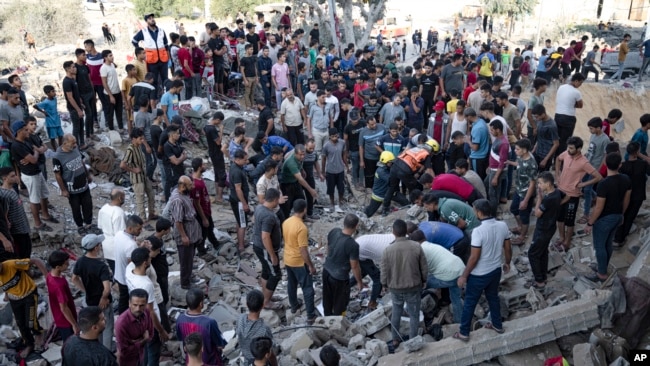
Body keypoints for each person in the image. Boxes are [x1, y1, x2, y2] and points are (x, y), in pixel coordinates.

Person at [454, 199, 512, 341]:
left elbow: (474, 258)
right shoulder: (502, 225)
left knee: (470, 302)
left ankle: (464, 332)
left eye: (474, 210)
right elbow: (508, 247)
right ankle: (497, 325)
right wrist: (507, 262)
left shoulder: (478, 231)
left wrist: (464, 276)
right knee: (493, 297)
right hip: (495, 270)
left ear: (479, 212)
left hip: (479, 274)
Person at [381, 219, 428, 348]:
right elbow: (424, 267)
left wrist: (384, 284)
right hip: (413, 286)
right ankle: (413, 340)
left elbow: (384, 271)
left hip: (395, 288)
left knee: (396, 311)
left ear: (393, 232)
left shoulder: (387, 250)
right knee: (414, 314)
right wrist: (424, 280)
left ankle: (395, 339)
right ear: (406, 232)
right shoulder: (416, 246)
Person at [585, 153, 631, 282]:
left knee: (600, 246)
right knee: (608, 244)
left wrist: (590, 223)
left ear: (605, 164)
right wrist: (622, 214)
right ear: (620, 165)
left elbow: (599, 207)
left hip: (604, 219)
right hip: (617, 216)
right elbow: (626, 199)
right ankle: (602, 266)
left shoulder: (603, 184)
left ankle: (602, 274)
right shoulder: (626, 179)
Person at [554, 137, 602, 252]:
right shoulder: (566, 153)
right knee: (560, 218)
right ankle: (561, 237)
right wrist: (557, 174)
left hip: (572, 195)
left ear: (579, 148)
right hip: (561, 191)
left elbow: (598, 177)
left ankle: (567, 242)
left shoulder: (584, 162)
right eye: (568, 147)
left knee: (569, 220)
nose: (568, 150)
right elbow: (558, 159)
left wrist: (583, 184)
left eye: (571, 148)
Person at [409, 229, 465, 323]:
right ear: (425, 238)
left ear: (415, 243)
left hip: (449, 275)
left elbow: (420, 273)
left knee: (419, 284)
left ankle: (412, 309)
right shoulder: (432, 245)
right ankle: (459, 321)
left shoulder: (420, 250)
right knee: (456, 298)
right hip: (461, 271)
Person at [124, 247, 169, 364]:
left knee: (143, 350)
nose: (151, 259)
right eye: (149, 258)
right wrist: (161, 330)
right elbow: (151, 311)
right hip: (149, 323)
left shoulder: (129, 270)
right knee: (153, 353)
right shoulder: (146, 284)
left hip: (136, 317)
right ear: (145, 263)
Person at [11, 120, 56, 232]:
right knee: (34, 199)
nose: (28, 132)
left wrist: (35, 152)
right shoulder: (17, 146)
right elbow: (34, 159)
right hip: (30, 175)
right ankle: (38, 223)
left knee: (44, 194)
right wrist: (36, 152)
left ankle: (45, 215)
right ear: (19, 131)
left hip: (36, 172)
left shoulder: (25, 140)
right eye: (26, 130)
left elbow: (38, 151)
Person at [71, 234, 114, 350]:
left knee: (94, 327)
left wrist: (85, 289)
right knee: (107, 328)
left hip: (89, 302)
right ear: (96, 248)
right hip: (102, 304)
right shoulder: (101, 266)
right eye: (99, 245)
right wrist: (104, 298)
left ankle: (96, 350)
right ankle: (106, 353)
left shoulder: (80, 262)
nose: (100, 246)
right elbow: (107, 288)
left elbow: (74, 278)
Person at [0, 257, 48, 358]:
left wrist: (48, 277)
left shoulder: (11, 264)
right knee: (21, 324)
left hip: (29, 293)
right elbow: (4, 283)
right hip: (14, 298)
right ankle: (29, 344)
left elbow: (35, 260)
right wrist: (6, 295)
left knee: (30, 321)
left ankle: (38, 332)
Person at [282, 199, 317, 322]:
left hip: (287, 259)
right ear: (305, 209)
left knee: (292, 284)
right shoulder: (301, 227)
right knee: (307, 288)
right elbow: (303, 250)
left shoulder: (286, 222)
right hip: (299, 262)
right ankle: (311, 315)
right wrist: (311, 266)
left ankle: (294, 306)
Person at [53, 134, 95, 235]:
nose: (76, 145)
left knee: (88, 205)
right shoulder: (57, 157)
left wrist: (88, 175)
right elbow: (58, 175)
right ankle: (80, 226)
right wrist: (63, 190)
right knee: (76, 208)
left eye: (75, 142)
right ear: (65, 143)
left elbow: (82, 162)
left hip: (83, 184)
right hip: (72, 189)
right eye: (73, 143)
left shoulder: (75, 149)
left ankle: (88, 224)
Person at [382, 138, 437, 215]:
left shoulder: (415, 148)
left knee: (391, 187)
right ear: (432, 150)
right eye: (433, 153)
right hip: (404, 171)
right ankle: (414, 206)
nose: (432, 155)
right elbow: (429, 170)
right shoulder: (426, 154)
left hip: (395, 166)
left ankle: (385, 208)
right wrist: (435, 182)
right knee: (414, 188)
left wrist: (418, 172)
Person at [322, 214, 363, 316]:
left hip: (326, 271)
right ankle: (338, 323)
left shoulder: (334, 231)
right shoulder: (353, 245)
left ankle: (326, 318)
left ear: (344, 223)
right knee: (340, 303)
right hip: (339, 278)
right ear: (356, 226)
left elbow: (328, 247)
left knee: (327, 297)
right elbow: (354, 266)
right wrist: (359, 282)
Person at [527, 172, 562, 288]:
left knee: (532, 253)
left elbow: (537, 214)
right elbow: (566, 196)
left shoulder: (548, 199)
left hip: (543, 229)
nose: (538, 186)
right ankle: (543, 275)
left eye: (540, 183)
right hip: (551, 227)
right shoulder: (557, 192)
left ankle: (539, 281)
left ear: (548, 184)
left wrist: (539, 199)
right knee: (542, 251)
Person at [168, 175, 202, 289]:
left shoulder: (184, 194)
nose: (192, 187)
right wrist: (183, 236)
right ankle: (185, 283)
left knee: (190, 257)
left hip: (191, 231)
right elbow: (178, 221)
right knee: (185, 260)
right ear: (182, 186)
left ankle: (189, 276)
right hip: (185, 233)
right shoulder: (178, 200)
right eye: (190, 185)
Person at [253, 188, 284, 310]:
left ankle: (267, 296)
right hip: (265, 248)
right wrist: (272, 255)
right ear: (275, 199)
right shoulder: (269, 215)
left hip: (258, 245)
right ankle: (266, 302)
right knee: (275, 274)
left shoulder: (259, 207)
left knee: (266, 271)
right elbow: (265, 236)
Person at [614, 143, 649, 246]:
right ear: (637, 152)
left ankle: (617, 238)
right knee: (630, 217)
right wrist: (641, 155)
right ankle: (622, 239)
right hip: (638, 196)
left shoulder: (623, 166)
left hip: (624, 195)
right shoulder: (643, 165)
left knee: (622, 215)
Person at [577, 118, 610, 225]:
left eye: (591, 128)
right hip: (587, 165)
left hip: (595, 167)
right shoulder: (593, 136)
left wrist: (599, 170)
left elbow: (605, 156)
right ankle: (595, 197)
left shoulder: (605, 139)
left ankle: (586, 214)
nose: (590, 130)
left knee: (587, 190)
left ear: (598, 128)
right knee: (584, 186)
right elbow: (591, 150)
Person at [121, 128, 157, 223]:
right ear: (134, 139)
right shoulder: (130, 150)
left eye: (142, 138)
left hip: (143, 176)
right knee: (140, 198)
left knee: (151, 194)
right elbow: (122, 164)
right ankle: (143, 219)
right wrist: (133, 170)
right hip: (137, 179)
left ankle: (151, 214)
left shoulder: (138, 147)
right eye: (140, 139)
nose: (142, 141)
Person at [235, 290, 278, 365]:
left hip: (246, 360)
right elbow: (270, 351)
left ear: (247, 305)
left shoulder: (240, 319)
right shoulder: (264, 329)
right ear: (262, 306)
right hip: (260, 361)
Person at [507, 139, 538, 245]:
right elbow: (519, 164)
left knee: (524, 215)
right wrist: (509, 162)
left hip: (526, 194)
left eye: (517, 149)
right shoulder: (521, 157)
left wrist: (525, 200)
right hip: (518, 190)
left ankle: (522, 236)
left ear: (524, 150)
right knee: (514, 209)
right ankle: (519, 227)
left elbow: (532, 184)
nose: (515, 151)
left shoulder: (531, 164)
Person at [114, 215, 145, 315]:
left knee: (123, 298)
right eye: (139, 229)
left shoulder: (119, 234)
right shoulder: (131, 244)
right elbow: (133, 264)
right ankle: (123, 317)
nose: (141, 231)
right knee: (125, 299)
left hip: (118, 273)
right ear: (130, 228)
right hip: (125, 278)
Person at [115, 288, 154, 366]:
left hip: (141, 357)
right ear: (129, 303)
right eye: (135, 305)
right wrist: (143, 341)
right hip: (127, 362)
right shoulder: (122, 323)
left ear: (146, 304)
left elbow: (150, 334)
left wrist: (134, 343)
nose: (138, 309)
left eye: (141, 305)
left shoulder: (146, 312)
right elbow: (124, 351)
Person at [131, 13, 169, 92]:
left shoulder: (161, 31)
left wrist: (169, 57)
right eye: (149, 18)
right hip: (152, 61)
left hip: (163, 60)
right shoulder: (143, 32)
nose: (152, 19)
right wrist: (139, 52)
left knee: (165, 79)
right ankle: (154, 98)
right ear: (146, 21)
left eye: (152, 18)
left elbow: (166, 45)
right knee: (153, 80)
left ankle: (166, 95)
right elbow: (134, 41)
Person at [0, 168, 33, 258]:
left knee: (27, 250)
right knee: (21, 254)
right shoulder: (4, 194)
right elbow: (4, 215)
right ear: (4, 178)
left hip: (23, 227)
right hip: (16, 231)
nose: (16, 177)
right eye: (12, 176)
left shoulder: (13, 189)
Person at [190, 158, 218, 259]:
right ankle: (201, 251)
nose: (205, 166)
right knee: (203, 231)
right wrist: (204, 217)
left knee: (209, 228)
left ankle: (216, 244)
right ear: (199, 167)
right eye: (203, 165)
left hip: (206, 210)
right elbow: (197, 203)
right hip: (202, 212)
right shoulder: (196, 184)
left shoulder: (199, 179)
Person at [97, 188, 126, 275]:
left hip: (106, 244)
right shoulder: (119, 213)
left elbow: (100, 226)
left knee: (114, 270)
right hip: (116, 247)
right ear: (120, 198)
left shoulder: (103, 208)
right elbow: (120, 234)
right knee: (121, 272)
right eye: (123, 197)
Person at [484, 113, 509, 214]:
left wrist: (495, 177)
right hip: (493, 170)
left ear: (498, 130)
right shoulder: (498, 139)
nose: (491, 132)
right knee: (486, 185)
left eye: (492, 130)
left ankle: (493, 213)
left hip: (496, 172)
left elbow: (502, 161)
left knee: (493, 193)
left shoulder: (503, 143)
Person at [554, 73, 585, 156]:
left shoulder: (561, 87)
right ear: (576, 81)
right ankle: (561, 160)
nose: (580, 85)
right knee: (565, 141)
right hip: (568, 117)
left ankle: (555, 160)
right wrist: (572, 104)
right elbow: (581, 105)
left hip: (557, 115)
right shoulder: (576, 92)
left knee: (557, 139)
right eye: (580, 82)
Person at [229, 150, 251, 253]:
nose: (246, 161)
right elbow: (238, 189)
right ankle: (241, 247)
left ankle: (240, 241)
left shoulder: (236, 167)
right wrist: (244, 204)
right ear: (238, 159)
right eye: (244, 160)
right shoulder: (237, 171)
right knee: (243, 223)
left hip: (237, 200)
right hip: (238, 201)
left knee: (239, 221)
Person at [62, 61, 87, 149]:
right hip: (73, 109)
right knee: (76, 128)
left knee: (81, 126)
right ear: (68, 69)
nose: (75, 68)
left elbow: (76, 94)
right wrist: (78, 110)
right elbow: (70, 97)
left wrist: (80, 103)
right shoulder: (66, 82)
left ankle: (82, 144)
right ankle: (74, 146)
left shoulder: (73, 80)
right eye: (73, 67)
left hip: (78, 107)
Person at [204, 112, 228, 203]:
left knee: (217, 173)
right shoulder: (212, 129)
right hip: (216, 152)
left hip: (212, 152)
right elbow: (218, 142)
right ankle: (219, 197)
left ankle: (218, 194)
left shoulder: (206, 126)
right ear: (217, 120)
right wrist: (221, 130)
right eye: (220, 121)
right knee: (222, 174)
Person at [322, 128, 347, 209]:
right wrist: (323, 171)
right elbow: (323, 159)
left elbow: (344, 155)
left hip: (340, 169)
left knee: (341, 188)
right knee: (330, 188)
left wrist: (346, 165)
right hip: (330, 170)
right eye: (333, 137)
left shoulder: (342, 143)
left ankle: (340, 202)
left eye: (336, 136)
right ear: (329, 137)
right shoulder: (326, 146)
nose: (335, 138)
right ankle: (332, 203)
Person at [100, 50, 124, 131]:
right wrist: (110, 96)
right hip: (109, 94)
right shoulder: (103, 68)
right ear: (105, 58)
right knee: (110, 112)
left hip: (117, 92)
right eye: (110, 56)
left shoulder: (112, 65)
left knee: (119, 111)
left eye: (112, 55)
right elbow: (104, 83)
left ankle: (121, 128)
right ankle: (111, 129)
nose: (112, 57)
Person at [34, 85, 64, 149]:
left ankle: (60, 148)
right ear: (47, 93)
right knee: (52, 138)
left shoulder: (55, 99)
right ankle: (55, 149)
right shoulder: (45, 102)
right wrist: (43, 112)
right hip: (50, 122)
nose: (54, 93)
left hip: (56, 120)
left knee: (60, 135)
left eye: (54, 91)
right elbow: (35, 106)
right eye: (52, 91)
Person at [530, 104, 559, 172]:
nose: (535, 119)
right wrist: (534, 149)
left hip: (545, 155)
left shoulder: (551, 126)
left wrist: (546, 159)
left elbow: (556, 144)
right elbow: (540, 137)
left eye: (536, 117)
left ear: (543, 114)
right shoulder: (539, 121)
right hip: (537, 152)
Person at [162, 124, 187, 200]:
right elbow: (176, 161)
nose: (179, 135)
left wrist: (181, 157)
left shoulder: (176, 143)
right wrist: (182, 157)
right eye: (177, 133)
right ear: (172, 135)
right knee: (172, 190)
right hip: (172, 172)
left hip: (179, 170)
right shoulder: (167, 146)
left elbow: (184, 153)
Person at [466, 107, 490, 180]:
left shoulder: (477, 129)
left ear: (469, 116)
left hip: (478, 157)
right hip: (484, 155)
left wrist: (468, 141)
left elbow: (475, 147)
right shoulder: (481, 122)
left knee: (478, 179)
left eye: (466, 118)